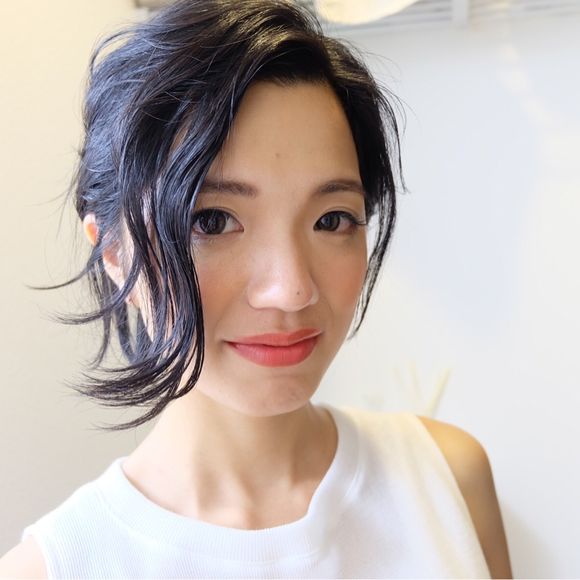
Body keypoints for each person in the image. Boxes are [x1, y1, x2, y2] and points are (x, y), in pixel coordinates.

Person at [0, 0, 512, 577]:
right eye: (213, 220)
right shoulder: (56, 566)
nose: (291, 290)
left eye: (331, 220)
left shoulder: (449, 481)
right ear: (115, 253)